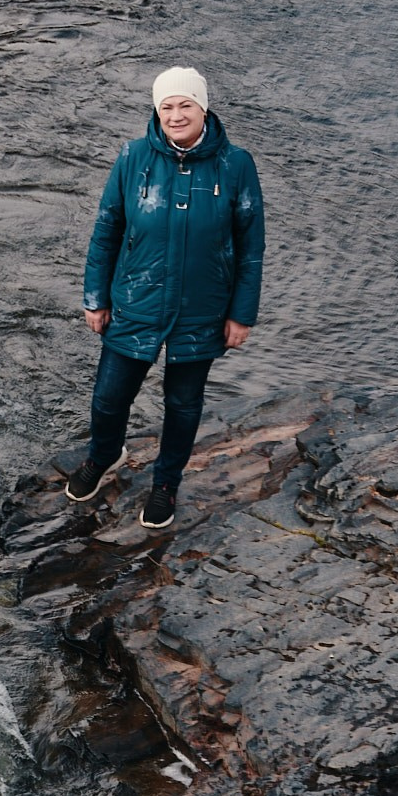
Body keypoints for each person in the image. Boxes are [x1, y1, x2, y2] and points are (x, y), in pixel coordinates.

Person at [65, 66, 265, 529]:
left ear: (203, 107)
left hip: (203, 307)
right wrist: (95, 297)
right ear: (157, 111)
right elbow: (106, 231)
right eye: (167, 106)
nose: (176, 115)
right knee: (110, 397)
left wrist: (241, 312)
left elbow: (251, 245)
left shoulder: (236, 165)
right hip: (136, 298)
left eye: (185, 105)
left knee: (183, 402)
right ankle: (104, 456)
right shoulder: (133, 157)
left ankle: (165, 485)